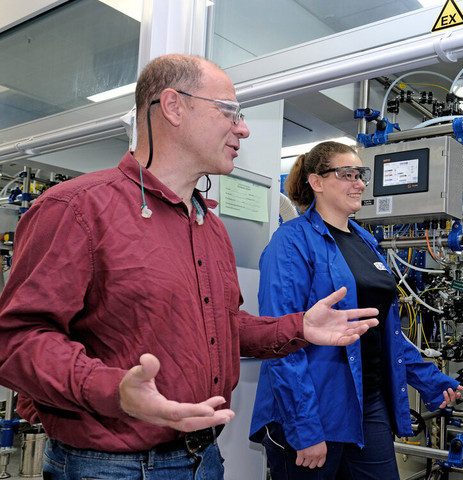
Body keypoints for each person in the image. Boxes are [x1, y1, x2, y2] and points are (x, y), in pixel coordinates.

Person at [0, 54, 380, 480]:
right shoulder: (77, 208)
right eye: (229, 112)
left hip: (203, 459)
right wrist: (115, 391)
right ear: (173, 106)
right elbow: (18, 339)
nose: (244, 128)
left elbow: (224, 325)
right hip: (108, 466)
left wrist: (298, 329)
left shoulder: (208, 225)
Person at [250, 141, 463, 479]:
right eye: (347, 174)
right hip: (314, 407)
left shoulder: (366, 243)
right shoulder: (290, 243)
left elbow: (382, 331)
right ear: (317, 182)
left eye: (361, 174)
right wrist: (305, 427)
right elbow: (280, 340)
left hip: (368, 403)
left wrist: (429, 379)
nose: (360, 183)